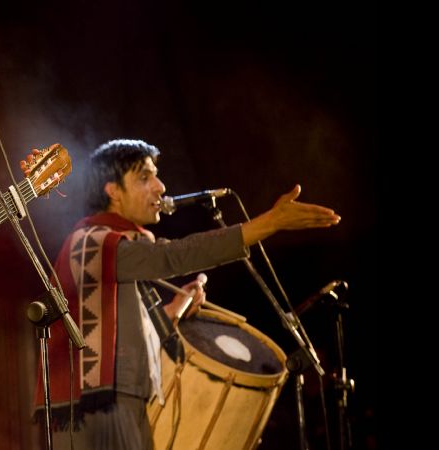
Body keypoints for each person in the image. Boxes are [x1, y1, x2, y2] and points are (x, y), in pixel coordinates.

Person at [37, 138, 341, 449]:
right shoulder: (93, 242)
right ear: (112, 191)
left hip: (114, 402)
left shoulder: (115, 248)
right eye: (144, 176)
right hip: (99, 409)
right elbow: (177, 256)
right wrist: (269, 223)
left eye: (156, 174)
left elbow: (117, 336)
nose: (160, 186)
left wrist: (174, 311)